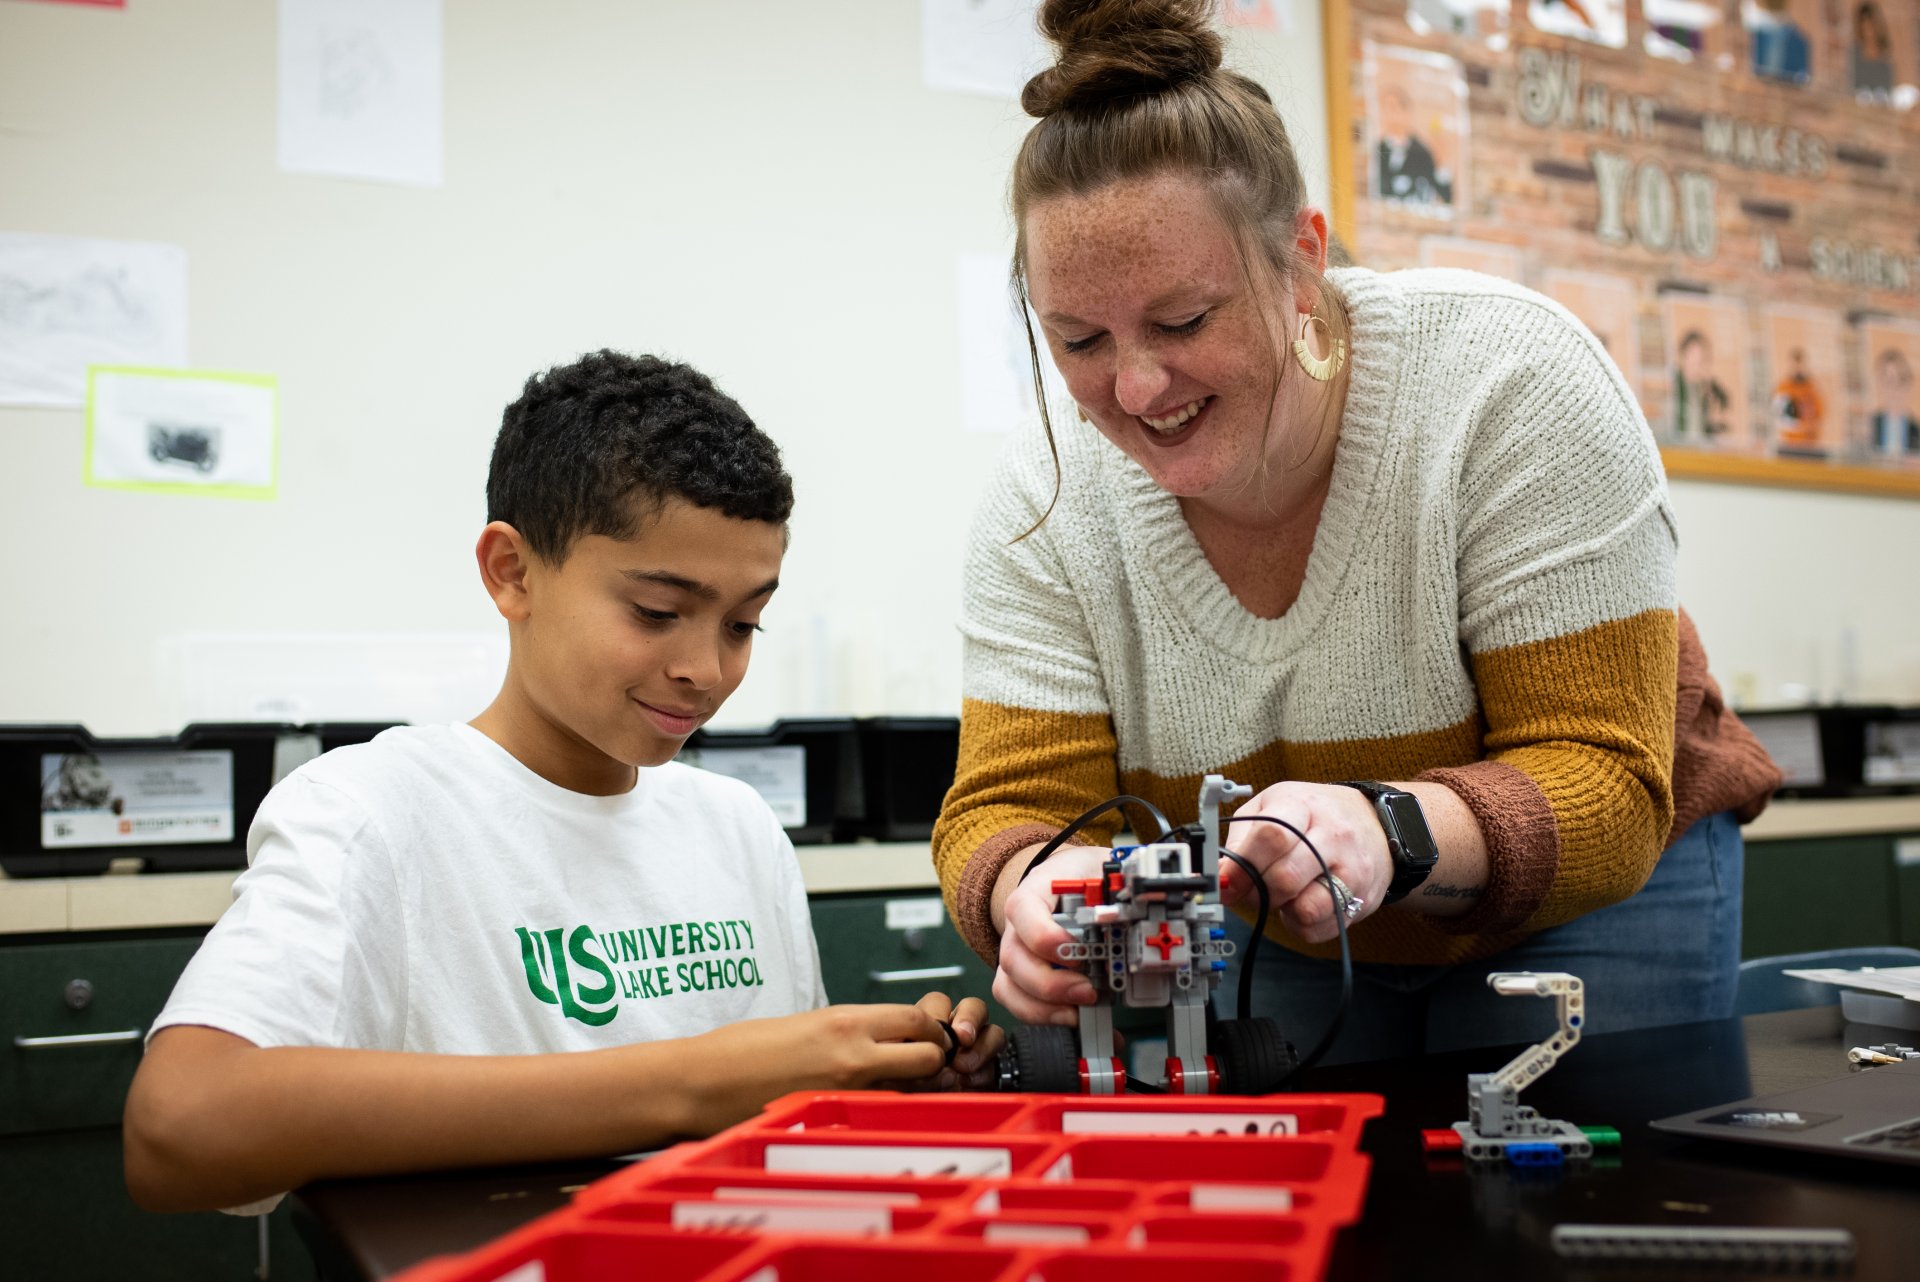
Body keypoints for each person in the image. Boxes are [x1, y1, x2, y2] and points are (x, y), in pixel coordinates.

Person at [932, 0, 1779, 1066]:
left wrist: (1391, 829)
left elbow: (1601, 777)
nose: (1136, 386)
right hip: (1292, 919)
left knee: (1567, 1205)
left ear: (1302, 261)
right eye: (1078, 338)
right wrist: (1032, 889)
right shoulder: (1045, 498)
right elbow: (1007, 806)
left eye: (1185, 321)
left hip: (1589, 897)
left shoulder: (1507, 385)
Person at [124, 351, 1002, 1215]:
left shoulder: (734, 826)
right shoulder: (372, 811)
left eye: (743, 624)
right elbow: (180, 1128)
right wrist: (695, 1083)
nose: (705, 669)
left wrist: (879, 1082)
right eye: (655, 613)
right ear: (512, 572)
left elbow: (775, 1138)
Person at [1375, 84, 1453, 207]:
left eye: (1393, 107)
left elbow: (1445, 196)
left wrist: (1442, 163)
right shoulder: (1377, 150)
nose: (1388, 114)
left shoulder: (1423, 152)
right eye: (1384, 109)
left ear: (1405, 112)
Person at [1671, 329, 1730, 440]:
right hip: (1677, 448)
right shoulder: (1674, 384)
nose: (1696, 361)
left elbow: (1711, 423)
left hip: (1698, 449)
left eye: (1700, 356)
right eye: (1693, 355)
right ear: (1683, 355)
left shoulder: (1703, 389)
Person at [1771, 346, 1824, 453]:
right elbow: (1778, 416)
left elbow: (1819, 414)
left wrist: (1809, 428)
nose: (1797, 367)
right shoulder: (1783, 388)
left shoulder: (1811, 388)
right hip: (1789, 444)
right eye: (1794, 363)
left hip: (1810, 444)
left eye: (1799, 363)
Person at [1870, 348, 1919, 455]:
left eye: (1901, 380)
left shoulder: (1916, 429)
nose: (1895, 389)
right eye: (1889, 381)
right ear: (1880, 384)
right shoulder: (1870, 426)